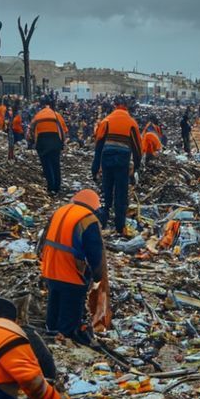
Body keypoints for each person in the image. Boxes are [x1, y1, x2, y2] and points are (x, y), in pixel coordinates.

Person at [38, 189, 105, 344]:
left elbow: (43, 238)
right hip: (70, 272)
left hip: (50, 268)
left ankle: (50, 331)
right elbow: (95, 252)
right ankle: (64, 340)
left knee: (54, 301)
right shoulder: (88, 219)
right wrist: (97, 276)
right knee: (70, 311)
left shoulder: (60, 211)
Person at [92, 98, 142, 235]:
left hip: (107, 159)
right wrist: (136, 166)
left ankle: (103, 219)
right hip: (122, 160)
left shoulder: (107, 121)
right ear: (127, 107)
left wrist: (95, 169)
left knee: (106, 189)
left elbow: (99, 145)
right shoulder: (132, 123)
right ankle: (119, 225)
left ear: (115, 106)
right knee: (121, 192)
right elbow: (138, 147)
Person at [29, 99, 69, 194]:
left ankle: (50, 187)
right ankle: (57, 187)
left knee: (46, 165)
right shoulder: (56, 115)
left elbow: (30, 132)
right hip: (55, 142)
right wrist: (62, 143)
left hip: (42, 143)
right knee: (56, 164)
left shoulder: (37, 116)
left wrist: (33, 142)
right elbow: (64, 130)